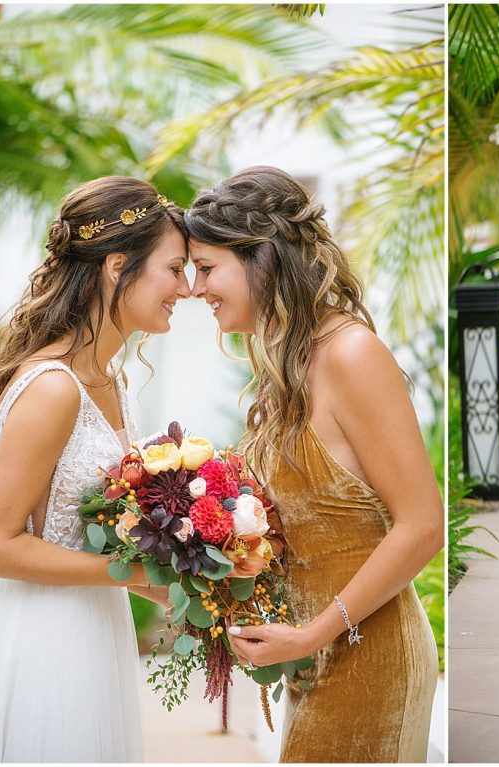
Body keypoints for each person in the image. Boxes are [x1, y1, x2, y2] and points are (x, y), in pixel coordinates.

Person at [183, 166, 442, 762]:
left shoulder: (350, 354)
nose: (196, 288)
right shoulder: (283, 366)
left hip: (368, 653)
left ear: (262, 261)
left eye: (206, 267)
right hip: (310, 654)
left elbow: (423, 525)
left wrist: (314, 633)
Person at [0, 177, 186, 761]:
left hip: (93, 623)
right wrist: (132, 577)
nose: (186, 287)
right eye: (174, 269)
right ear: (117, 266)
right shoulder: (54, 389)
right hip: (37, 637)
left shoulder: (114, 380)